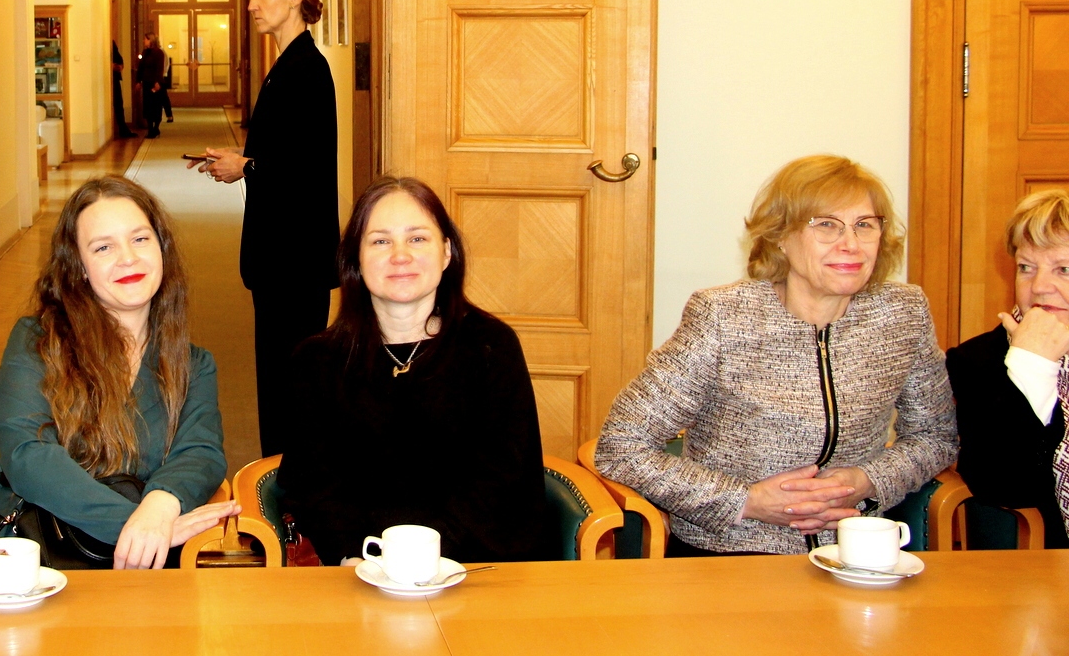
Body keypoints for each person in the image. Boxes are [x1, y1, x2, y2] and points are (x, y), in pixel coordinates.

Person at [593, 155, 957, 555]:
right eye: (826, 225)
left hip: (855, 551)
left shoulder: (902, 314)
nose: (850, 244)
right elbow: (622, 446)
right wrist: (746, 501)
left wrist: (868, 481)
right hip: (730, 553)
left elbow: (935, 437)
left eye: (864, 225)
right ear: (781, 235)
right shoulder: (723, 316)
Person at [0, 176, 237, 570]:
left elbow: (200, 452)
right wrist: (136, 528)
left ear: (162, 249)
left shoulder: (194, 364)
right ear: (79, 267)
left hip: (154, 569)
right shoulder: (37, 342)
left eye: (140, 239)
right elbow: (27, 455)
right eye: (103, 247)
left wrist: (160, 504)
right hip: (43, 562)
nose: (128, 258)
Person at [276, 177, 549, 564]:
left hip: (477, 566)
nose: (400, 255)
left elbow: (503, 478)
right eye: (380, 241)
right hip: (360, 568)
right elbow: (313, 484)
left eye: (417, 238)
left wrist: (420, 556)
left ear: (446, 252)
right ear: (354, 259)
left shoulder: (491, 347)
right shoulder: (316, 361)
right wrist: (353, 555)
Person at [197, 0, 338, 456]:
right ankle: (278, 478)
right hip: (282, 258)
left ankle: (286, 487)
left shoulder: (307, 70)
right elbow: (285, 153)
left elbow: (306, 170)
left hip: (294, 261)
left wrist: (246, 167)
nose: (252, 4)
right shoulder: (287, 66)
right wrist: (243, 160)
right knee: (279, 384)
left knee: (289, 387)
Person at [946, 188, 1069, 547]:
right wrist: (1032, 368)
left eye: (1064, 269)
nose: (1039, 287)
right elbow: (1004, 488)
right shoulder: (977, 361)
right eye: (1026, 268)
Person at [135, 34, 167, 138]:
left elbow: (159, 68)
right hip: (147, 82)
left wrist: (157, 82)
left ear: (151, 40)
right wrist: (138, 81)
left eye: (145, 39)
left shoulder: (159, 52)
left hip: (155, 82)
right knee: (148, 106)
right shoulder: (145, 52)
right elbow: (141, 67)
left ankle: (156, 127)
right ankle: (150, 129)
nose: (143, 41)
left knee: (156, 105)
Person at [111, 40, 136, 139]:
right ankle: (122, 128)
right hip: (111, 78)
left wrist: (120, 66)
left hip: (115, 78)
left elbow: (118, 58)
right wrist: (111, 66)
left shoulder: (111, 44)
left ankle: (123, 128)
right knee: (118, 104)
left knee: (119, 104)